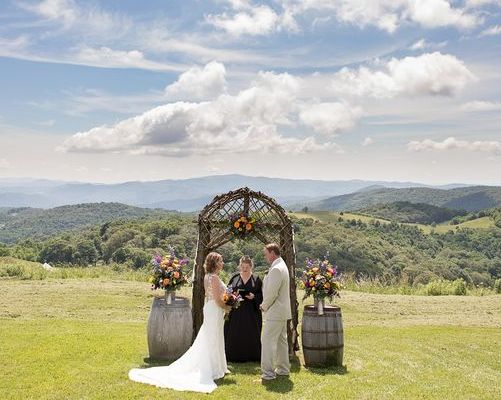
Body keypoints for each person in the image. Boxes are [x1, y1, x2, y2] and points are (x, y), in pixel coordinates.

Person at [128, 252, 230, 393]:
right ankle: (213, 368)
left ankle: (219, 366)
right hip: (215, 308)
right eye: (220, 260)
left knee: (213, 337)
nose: (222, 263)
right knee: (212, 338)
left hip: (212, 309)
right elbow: (219, 300)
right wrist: (228, 307)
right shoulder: (214, 278)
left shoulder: (208, 277)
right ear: (214, 263)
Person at [260, 243, 292, 381]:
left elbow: (272, 294)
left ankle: (268, 373)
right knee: (281, 341)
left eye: (266, 253)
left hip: (275, 311)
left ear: (272, 252)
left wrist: (264, 306)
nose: (265, 256)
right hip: (282, 312)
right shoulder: (282, 266)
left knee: (266, 341)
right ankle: (283, 369)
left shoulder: (276, 269)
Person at [224, 255, 263, 362]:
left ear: (251, 266)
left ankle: (252, 356)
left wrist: (254, 297)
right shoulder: (234, 278)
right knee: (235, 332)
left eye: (247, 267)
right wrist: (233, 295)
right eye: (243, 266)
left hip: (251, 312)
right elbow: (227, 292)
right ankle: (233, 355)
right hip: (236, 311)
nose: (245, 269)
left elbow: (262, 295)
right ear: (240, 266)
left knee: (251, 332)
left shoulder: (256, 279)